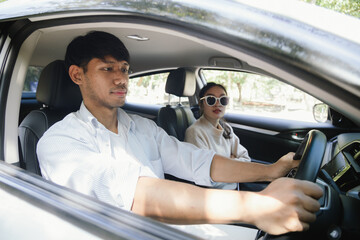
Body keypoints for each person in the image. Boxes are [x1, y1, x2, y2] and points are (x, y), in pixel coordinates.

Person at [37, 31, 323, 236]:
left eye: (124, 69)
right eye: (107, 68)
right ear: (77, 75)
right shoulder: (58, 142)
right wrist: (254, 206)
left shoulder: (143, 127)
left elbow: (198, 161)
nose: (121, 78)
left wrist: (270, 172)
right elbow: (133, 195)